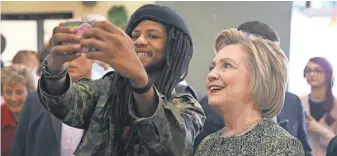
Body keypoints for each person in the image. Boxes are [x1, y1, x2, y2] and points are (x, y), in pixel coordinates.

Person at [37, 4, 205, 156]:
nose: (140, 41)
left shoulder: (187, 105)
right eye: (134, 35)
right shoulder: (106, 89)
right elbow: (64, 104)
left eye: (153, 36)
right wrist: (56, 65)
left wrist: (139, 80)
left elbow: (173, 146)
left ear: (174, 48)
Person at [194, 21, 312, 156]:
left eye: (227, 65)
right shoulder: (207, 145)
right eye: (212, 67)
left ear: (257, 77)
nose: (212, 74)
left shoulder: (280, 147)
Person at [11, 47, 95, 156]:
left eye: (79, 51)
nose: (71, 58)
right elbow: (19, 149)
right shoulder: (35, 101)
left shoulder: (107, 101)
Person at [301, 57, 337, 156]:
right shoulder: (299, 103)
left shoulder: (335, 105)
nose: (312, 74)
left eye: (318, 70)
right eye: (308, 70)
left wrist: (317, 128)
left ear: (328, 74)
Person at [1, 64, 36, 156]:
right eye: (8, 92)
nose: (13, 98)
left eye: (19, 92)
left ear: (29, 91)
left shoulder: (41, 116)